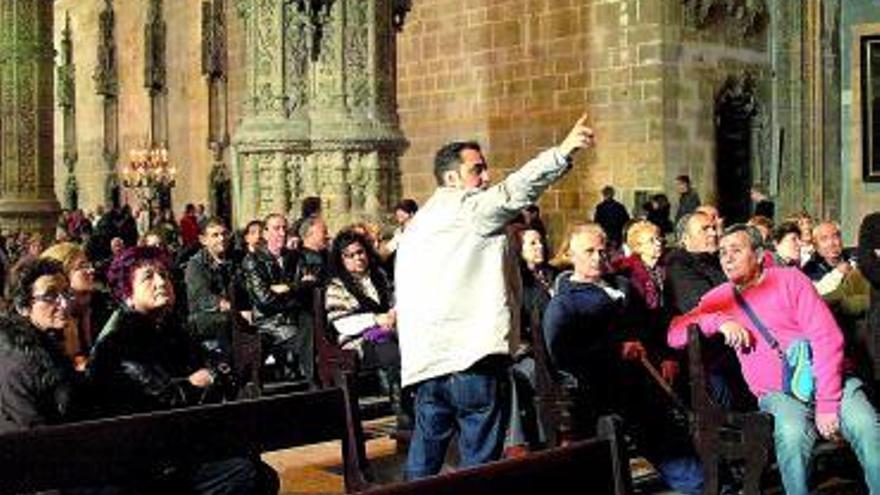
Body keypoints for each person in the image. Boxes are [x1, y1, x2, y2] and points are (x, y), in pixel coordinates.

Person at [395, 113, 595, 479]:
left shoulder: (417, 225)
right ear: (452, 177)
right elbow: (516, 190)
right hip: (470, 362)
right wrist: (563, 151)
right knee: (478, 471)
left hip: (428, 365)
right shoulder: (469, 209)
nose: (486, 178)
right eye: (478, 169)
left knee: (422, 467)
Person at [668, 224, 880, 495]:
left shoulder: (790, 280)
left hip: (827, 377)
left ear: (758, 255)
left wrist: (827, 402)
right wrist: (718, 321)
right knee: (791, 434)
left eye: (736, 250)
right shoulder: (721, 297)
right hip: (779, 392)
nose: (727, 258)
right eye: (722, 252)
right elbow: (675, 333)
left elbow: (827, 338)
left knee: (865, 424)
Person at [88, 246, 277, 494]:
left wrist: (206, 378)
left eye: (164, 275)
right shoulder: (120, 340)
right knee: (244, 475)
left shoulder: (171, 328)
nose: (160, 282)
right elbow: (167, 398)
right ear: (127, 294)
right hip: (144, 459)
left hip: (177, 440)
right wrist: (193, 383)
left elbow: (217, 370)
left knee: (260, 474)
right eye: (148, 277)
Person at [325, 229, 408, 428]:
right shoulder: (337, 286)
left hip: (391, 330)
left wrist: (393, 313)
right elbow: (341, 323)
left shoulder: (379, 276)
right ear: (341, 259)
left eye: (360, 252)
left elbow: (396, 301)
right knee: (392, 354)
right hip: (357, 340)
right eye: (350, 255)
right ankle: (402, 412)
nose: (358, 258)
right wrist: (375, 319)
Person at [0, 258, 80, 432]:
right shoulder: (18, 360)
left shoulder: (47, 340)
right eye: (50, 296)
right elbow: (32, 432)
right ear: (23, 306)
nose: (65, 304)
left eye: (66, 293)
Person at [242, 213, 315, 383]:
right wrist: (296, 288)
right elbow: (265, 300)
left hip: (296, 318)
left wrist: (288, 287)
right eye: (276, 229)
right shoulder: (253, 261)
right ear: (265, 233)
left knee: (312, 323)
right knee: (309, 329)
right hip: (271, 323)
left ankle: (315, 381)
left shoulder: (295, 257)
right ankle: (314, 383)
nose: (282, 233)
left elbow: (310, 287)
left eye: (284, 228)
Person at [186, 218, 235, 363]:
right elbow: (203, 298)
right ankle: (231, 364)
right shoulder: (195, 265)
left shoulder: (235, 259)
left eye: (224, 234)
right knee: (228, 320)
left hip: (232, 310)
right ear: (203, 240)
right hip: (203, 316)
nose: (222, 239)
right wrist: (233, 308)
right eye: (215, 235)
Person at [594, 185, 630, 250]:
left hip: (605, 235)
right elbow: (626, 221)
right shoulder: (619, 207)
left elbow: (597, 223)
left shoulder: (600, 207)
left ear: (603, 195)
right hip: (617, 236)